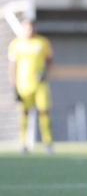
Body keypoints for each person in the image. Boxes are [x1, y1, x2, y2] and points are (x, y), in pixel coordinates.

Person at [7, 19, 54, 154]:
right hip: (23, 85)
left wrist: (45, 73)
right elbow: (12, 66)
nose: (29, 30)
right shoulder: (15, 44)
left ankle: (48, 143)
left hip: (40, 86)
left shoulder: (42, 42)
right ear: (23, 28)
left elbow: (50, 60)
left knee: (44, 113)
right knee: (23, 115)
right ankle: (23, 144)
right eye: (26, 28)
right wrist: (14, 86)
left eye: (31, 28)